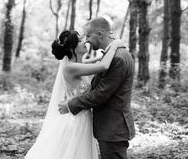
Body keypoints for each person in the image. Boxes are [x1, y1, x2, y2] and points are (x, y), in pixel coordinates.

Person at [25, 29, 122, 159]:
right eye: (80, 41)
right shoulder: (70, 67)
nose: (85, 41)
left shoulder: (81, 63)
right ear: (72, 49)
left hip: (83, 116)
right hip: (75, 120)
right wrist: (115, 45)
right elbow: (103, 66)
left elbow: (101, 59)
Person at [59, 17, 135, 159]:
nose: (86, 40)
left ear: (100, 34)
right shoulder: (113, 54)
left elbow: (100, 94)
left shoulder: (117, 57)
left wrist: (71, 104)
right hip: (107, 126)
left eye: (88, 35)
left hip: (113, 127)